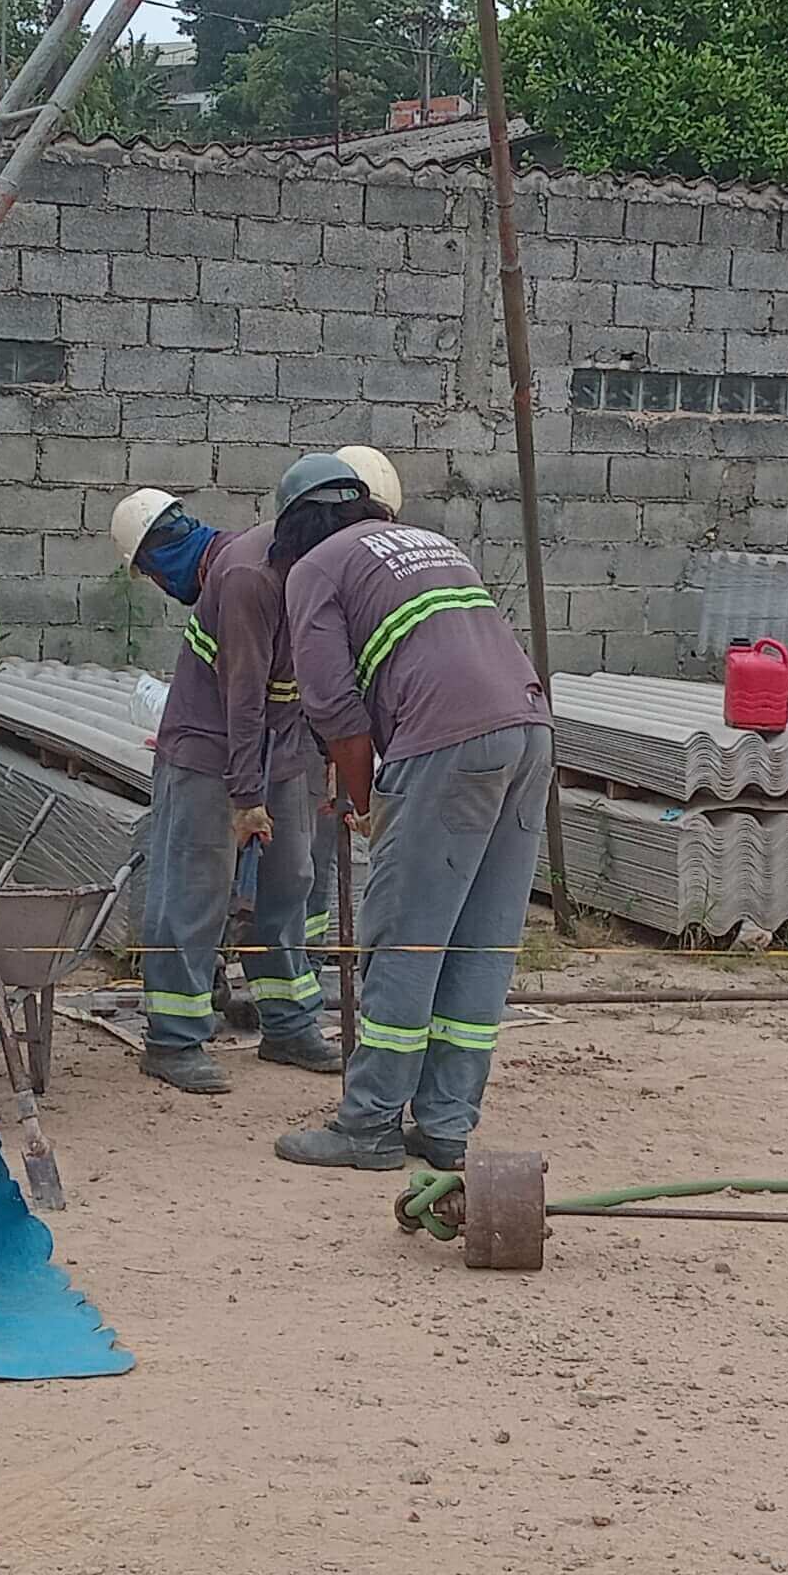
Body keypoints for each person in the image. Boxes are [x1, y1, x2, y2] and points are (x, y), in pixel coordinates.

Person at [269, 460, 553, 1175]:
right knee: (481, 941)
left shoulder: (315, 569)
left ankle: (367, 1126)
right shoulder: (432, 545)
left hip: (447, 740)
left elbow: (335, 709)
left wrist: (365, 803)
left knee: (406, 934)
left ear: (293, 525)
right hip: (530, 734)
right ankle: (446, 1127)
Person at [110, 481, 338, 1094]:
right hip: (211, 751)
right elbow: (244, 702)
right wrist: (247, 799)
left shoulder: (326, 569)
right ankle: (174, 1038)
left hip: (281, 747)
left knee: (288, 883)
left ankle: (287, 1023)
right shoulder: (246, 578)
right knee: (194, 889)